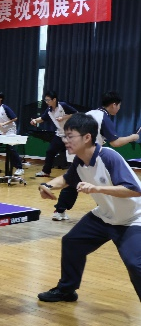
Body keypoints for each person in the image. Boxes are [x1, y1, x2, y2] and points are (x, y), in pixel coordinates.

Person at [36, 113, 141, 304]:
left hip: (133, 219)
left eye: (70, 136)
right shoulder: (79, 160)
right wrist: (48, 185)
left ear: (87, 137)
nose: (65, 140)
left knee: (135, 264)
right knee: (72, 242)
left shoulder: (108, 157)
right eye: (65, 136)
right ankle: (66, 290)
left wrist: (97, 188)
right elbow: (67, 179)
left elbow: (134, 190)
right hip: (104, 217)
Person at [52, 91, 140, 221]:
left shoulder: (90, 113)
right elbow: (115, 142)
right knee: (96, 183)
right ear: (114, 105)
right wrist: (133, 137)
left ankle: (59, 211)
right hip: (89, 156)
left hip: (77, 153)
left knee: (72, 183)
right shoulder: (104, 118)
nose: (119, 109)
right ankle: (106, 214)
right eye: (119, 106)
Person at [30, 91, 78, 177]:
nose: (47, 102)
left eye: (48, 100)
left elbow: (76, 113)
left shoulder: (63, 105)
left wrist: (63, 117)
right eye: (46, 100)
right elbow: (42, 118)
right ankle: (46, 172)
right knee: (50, 151)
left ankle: (75, 174)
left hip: (71, 134)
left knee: (72, 155)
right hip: (60, 134)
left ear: (54, 99)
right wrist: (35, 121)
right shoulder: (49, 110)